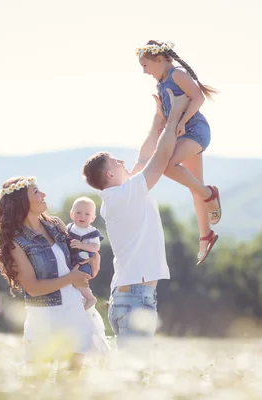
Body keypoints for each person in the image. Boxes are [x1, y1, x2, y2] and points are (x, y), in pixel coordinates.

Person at [82, 88, 189, 348]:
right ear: (108, 175)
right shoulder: (124, 196)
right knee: (134, 375)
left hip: (129, 296)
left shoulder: (120, 195)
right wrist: (175, 113)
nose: (122, 160)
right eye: (115, 161)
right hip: (135, 299)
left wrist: (157, 120)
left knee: (132, 374)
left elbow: (144, 156)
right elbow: (159, 159)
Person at [0, 176, 108, 368]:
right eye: (36, 192)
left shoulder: (56, 225)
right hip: (43, 318)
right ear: (22, 202)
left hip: (74, 309)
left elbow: (78, 256)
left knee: (72, 381)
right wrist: (71, 278)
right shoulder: (16, 243)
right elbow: (33, 288)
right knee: (38, 383)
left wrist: (94, 259)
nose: (43, 194)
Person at [136, 40, 222, 265]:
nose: (144, 71)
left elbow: (198, 97)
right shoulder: (161, 83)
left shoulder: (177, 74)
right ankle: (206, 236)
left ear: (160, 59)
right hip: (181, 133)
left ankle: (209, 194)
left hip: (195, 130)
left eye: (145, 65)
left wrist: (182, 121)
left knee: (168, 167)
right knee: (194, 184)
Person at [67, 196, 104, 310]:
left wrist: (82, 245)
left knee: (79, 278)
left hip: (83, 261)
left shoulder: (92, 232)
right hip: (70, 259)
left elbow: (95, 247)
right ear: (71, 215)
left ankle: (90, 297)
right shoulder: (69, 228)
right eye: (78, 212)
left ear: (93, 218)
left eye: (87, 214)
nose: (82, 216)